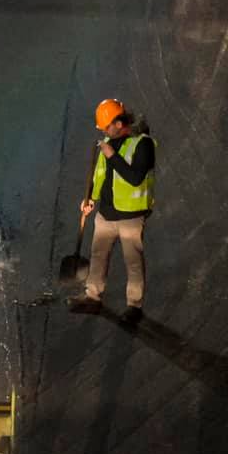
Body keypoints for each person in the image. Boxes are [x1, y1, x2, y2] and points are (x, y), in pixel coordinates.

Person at [70, 98, 155, 323]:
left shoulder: (142, 144)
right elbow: (100, 175)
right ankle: (92, 297)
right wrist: (90, 199)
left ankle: (134, 306)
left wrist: (111, 155)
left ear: (119, 123)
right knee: (98, 256)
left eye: (107, 126)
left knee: (133, 261)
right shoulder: (108, 141)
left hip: (130, 216)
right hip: (106, 214)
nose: (105, 131)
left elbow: (135, 178)